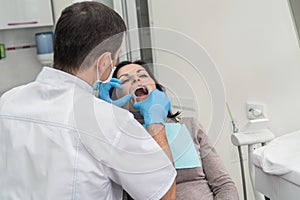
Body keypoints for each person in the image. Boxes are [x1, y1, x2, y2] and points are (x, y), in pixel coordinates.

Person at [0, 2, 176, 200]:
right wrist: (155, 124)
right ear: (103, 62)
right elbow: (163, 195)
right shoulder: (109, 121)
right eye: (115, 59)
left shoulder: (7, 102)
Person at [109, 60, 240, 200]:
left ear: (157, 89)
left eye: (143, 75)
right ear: (117, 97)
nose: (136, 79)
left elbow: (224, 185)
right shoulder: (120, 139)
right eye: (125, 80)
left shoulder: (190, 126)